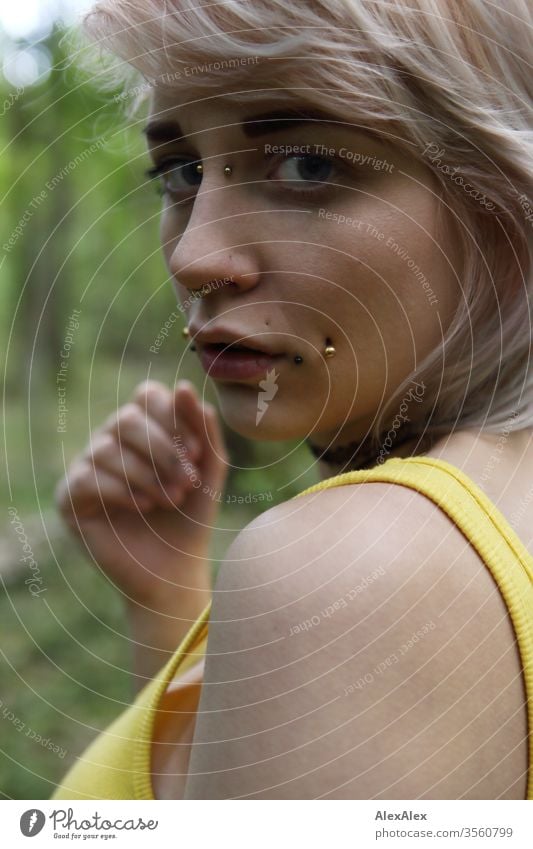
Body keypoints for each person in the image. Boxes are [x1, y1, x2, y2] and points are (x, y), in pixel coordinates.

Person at [52, 0, 533, 800]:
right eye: (182, 171)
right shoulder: (472, 536)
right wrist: (168, 597)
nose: (197, 258)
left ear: (506, 213)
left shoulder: (362, 572)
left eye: (307, 167)